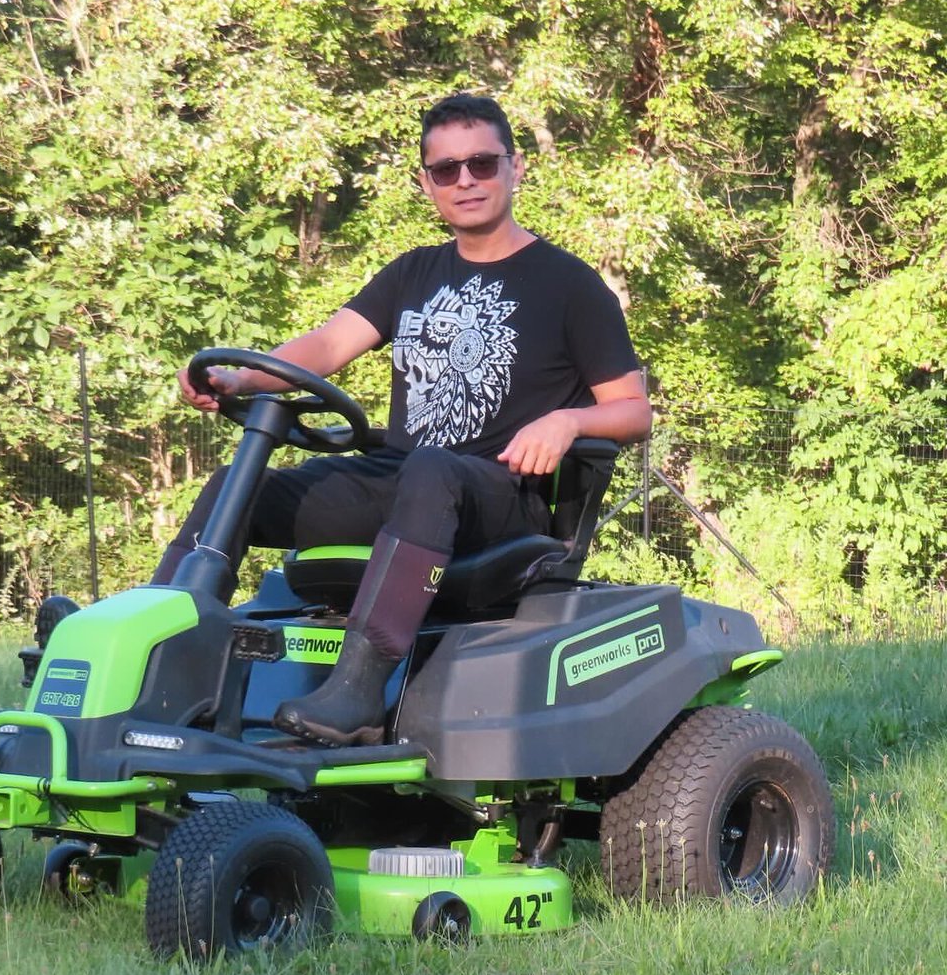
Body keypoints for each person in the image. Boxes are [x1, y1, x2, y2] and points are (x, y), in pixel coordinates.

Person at [155, 93, 653, 748]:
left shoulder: (568, 284)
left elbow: (634, 410)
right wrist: (242, 378)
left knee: (431, 469)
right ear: (427, 183)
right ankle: (155, 653)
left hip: (498, 498)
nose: (465, 180)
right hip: (405, 484)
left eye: (481, 163)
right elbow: (327, 347)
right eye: (446, 170)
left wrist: (567, 421)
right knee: (235, 485)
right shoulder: (413, 271)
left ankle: (359, 689)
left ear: (515, 168)